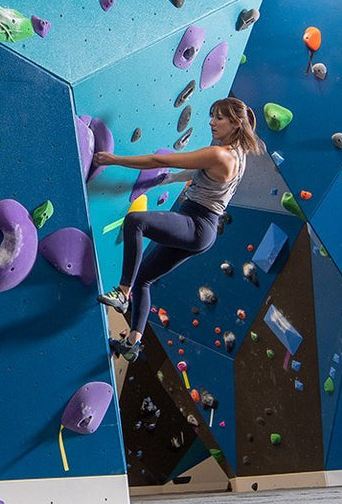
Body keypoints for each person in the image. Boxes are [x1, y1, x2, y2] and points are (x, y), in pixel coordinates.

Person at [91, 96, 264, 361]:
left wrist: (113, 159)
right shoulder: (238, 154)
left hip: (197, 222)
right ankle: (133, 344)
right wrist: (171, 179)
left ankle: (123, 293)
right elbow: (199, 171)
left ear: (236, 123)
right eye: (212, 115)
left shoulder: (220, 153)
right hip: (203, 228)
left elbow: (156, 160)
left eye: (219, 117)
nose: (211, 122)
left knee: (136, 222)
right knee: (145, 278)